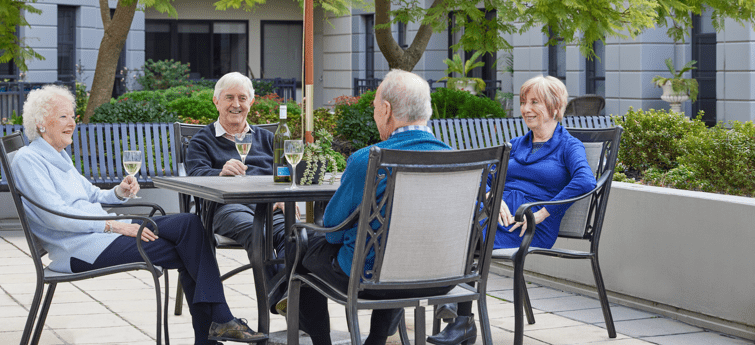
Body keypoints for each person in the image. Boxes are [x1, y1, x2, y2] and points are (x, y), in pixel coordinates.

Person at [12, 85, 265, 345]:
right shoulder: (27, 160)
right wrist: (115, 226)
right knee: (192, 248)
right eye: (63, 117)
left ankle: (216, 328)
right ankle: (216, 327)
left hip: (99, 233)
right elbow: (55, 217)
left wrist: (119, 192)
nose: (73, 123)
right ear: (41, 124)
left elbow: (92, 195)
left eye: (72, 116)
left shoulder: (58, 155)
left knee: (190, 225)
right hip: (79, 249)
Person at [427, 75, 597, 345]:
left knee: (463, 234)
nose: (526, 109)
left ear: (555, 107)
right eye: (523, 102)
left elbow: (585, 181)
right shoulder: (517, 144)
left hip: (528, 225)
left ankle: (453, 307)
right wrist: (494, 197)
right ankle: (457, 312)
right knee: (450, 215)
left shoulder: (568, 146)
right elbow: (487, 178)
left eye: (534, 102)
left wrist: (542, 214)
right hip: (497, 213)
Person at [288, 69, 451, 345]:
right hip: (440, 277)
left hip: (370, 277)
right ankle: (375, 340)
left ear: (386, 110)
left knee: (298, 245)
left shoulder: (367, 160)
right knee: (397, 249)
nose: (374, 113)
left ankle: (320, 342)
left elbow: (331, 231)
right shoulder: (454, 159)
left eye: (375, 107)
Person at [185, 72, 293, 310]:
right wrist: (220, 173)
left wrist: (284, 197)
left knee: (294, 234)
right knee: (258, 234)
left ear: (251, 102)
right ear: (216, 101)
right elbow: (195, 176)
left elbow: (284, 173)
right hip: (224, 209)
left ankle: (288, 296)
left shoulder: (266, 138)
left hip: (268, 207)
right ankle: (281, 300)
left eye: (242, 98)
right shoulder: (202, 141)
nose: (236, 104)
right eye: (229, 98)